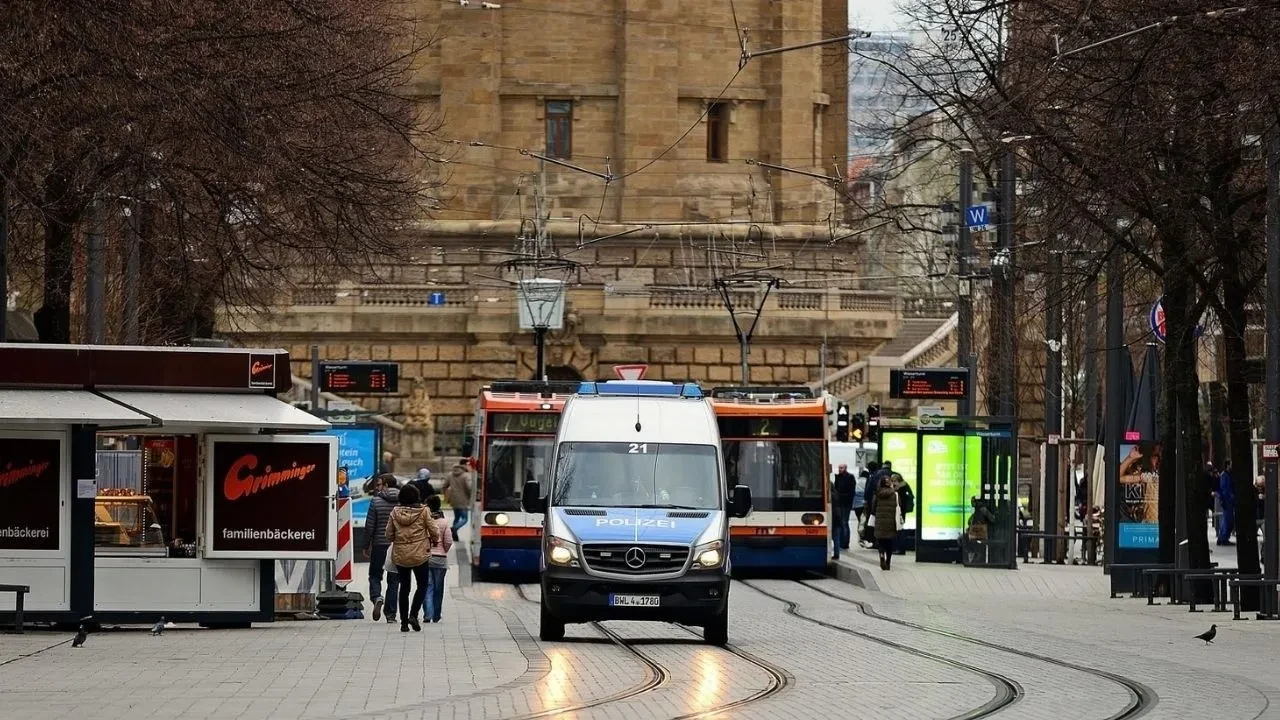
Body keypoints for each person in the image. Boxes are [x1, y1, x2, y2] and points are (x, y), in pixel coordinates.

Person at [386, 484, 440, 632]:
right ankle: (413, 615)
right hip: (420, 554)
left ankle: (403, 623)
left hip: (401, 555)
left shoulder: (395, 512)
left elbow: (388, 534)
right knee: (422, 585)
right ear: (417, 496)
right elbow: (434, 530)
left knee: (404, 587)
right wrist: (434, 539)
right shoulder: (424, 511)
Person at [363, 474, 400, 624]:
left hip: (379, 544)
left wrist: (366, 545)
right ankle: (390, 614)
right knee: (394, 580)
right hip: (397, 546)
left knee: (375, 575)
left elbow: (369, 525)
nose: (377, 488)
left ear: (385, 485)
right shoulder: (402, 501)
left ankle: (377, 597)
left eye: (379, 485)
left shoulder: (376, 501)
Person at [424, 495, 454, 623]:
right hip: (440, 559)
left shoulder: (424, 521)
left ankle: (427, 614)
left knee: (427, 587)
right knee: (438, 588)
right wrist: (443, 551)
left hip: (425, 558)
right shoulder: (444, 522)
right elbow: (448, 541)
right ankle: (436, 614)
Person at [871, 475, 902, 570]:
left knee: (881, 542)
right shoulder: (895, 494)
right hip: (891, 522)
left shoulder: (877, 494)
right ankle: (888, 562)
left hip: (880, 522)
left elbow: (873, 508)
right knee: (889, 543)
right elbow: (899, 505)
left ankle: (881, 556)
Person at [831, 463, 857, 559]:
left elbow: (851, 492)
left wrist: (840, 495)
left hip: (846, 503)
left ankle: (845, 542)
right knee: (841, 523)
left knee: (844, 522)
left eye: (841, 468)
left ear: (845, 468)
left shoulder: (850, 477)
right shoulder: (838, 477)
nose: (839, 469)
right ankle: (842, 542)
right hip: (839, 503)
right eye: (839, 468)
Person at [444, 461, 474, 542]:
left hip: (453, 499)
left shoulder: (450, 475)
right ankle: (454, 528)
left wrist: (445, 494)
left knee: (456, 517)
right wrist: (470, 495)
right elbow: (469, 487)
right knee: (465, 519)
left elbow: (444, 486)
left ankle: (454, 536)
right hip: (463, 499)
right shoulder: (466, 475)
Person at [895, 474, 915, 555]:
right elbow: (911, 495)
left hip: (898, 510)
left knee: (899, 529)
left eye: (894, 480)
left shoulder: (897, 488)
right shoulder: (905, 485)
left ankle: (900, 548)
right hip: (902, 510)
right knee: (900, 528)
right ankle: (900, 548)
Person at [1218, 460, 1236, 546]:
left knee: (1226, 519)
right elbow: (1225, 488)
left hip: (1227, 499)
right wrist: (1230, 496)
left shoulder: (1226, 475)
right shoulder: (1225, 475)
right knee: (1228, 519)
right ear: (1228, 465)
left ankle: (1222, 537)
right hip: (1227, 500)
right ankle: (1224, 537)